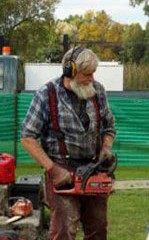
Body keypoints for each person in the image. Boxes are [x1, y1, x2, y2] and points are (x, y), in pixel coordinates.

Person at [20, 47, 116, 240]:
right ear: (70, 71)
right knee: (64, 229)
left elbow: (109, 126)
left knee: (98, 228)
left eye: (93, 73)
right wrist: (52, 169)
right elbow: (27, 137)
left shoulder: (97, 91)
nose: (92, 78)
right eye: (86, 74)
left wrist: (106, 147)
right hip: (62, 168)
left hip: (93, 168)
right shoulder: (47, 95)